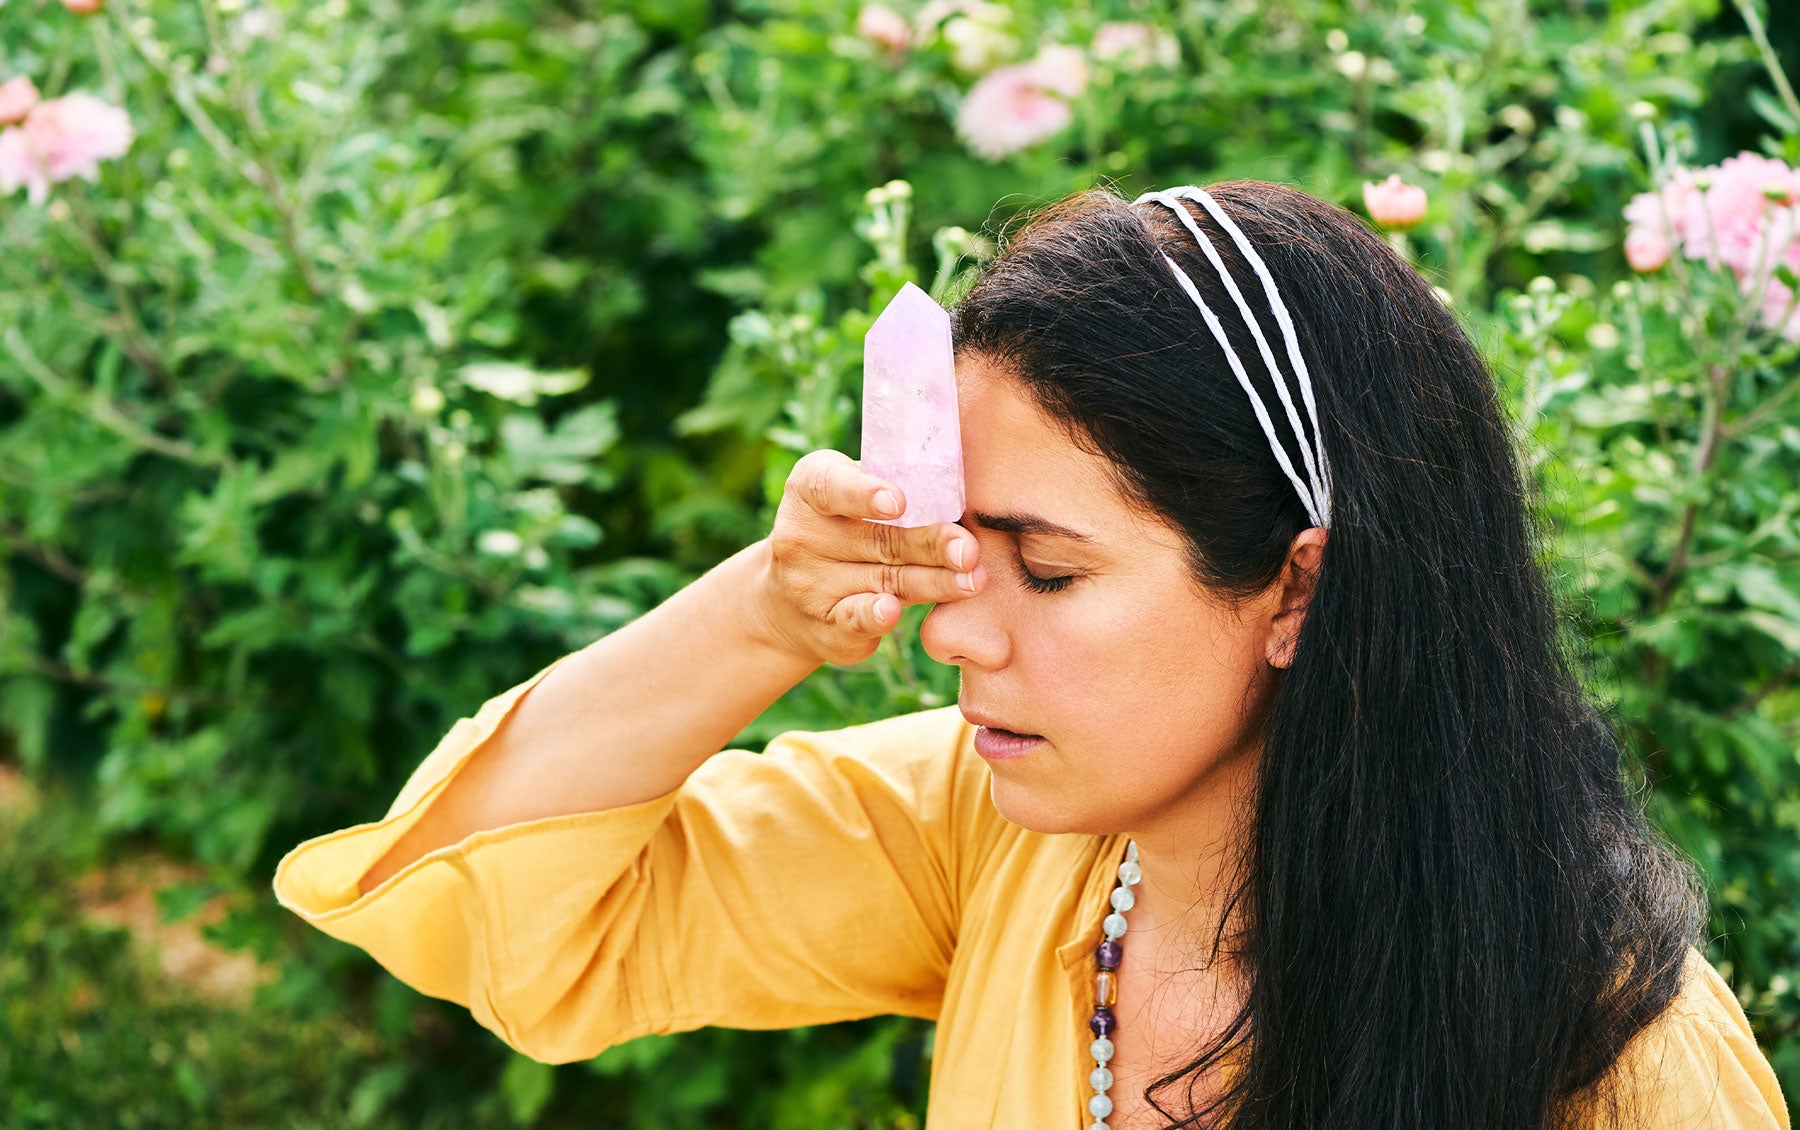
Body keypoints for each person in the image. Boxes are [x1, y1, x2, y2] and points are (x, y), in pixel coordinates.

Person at [274, 181, 1790, 1129]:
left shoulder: (1612, 1047)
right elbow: (503, 909)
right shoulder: (991, 833)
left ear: (1299, 591)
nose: (951, 628)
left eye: (1050, 569)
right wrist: (761, 609)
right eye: (963, 549)